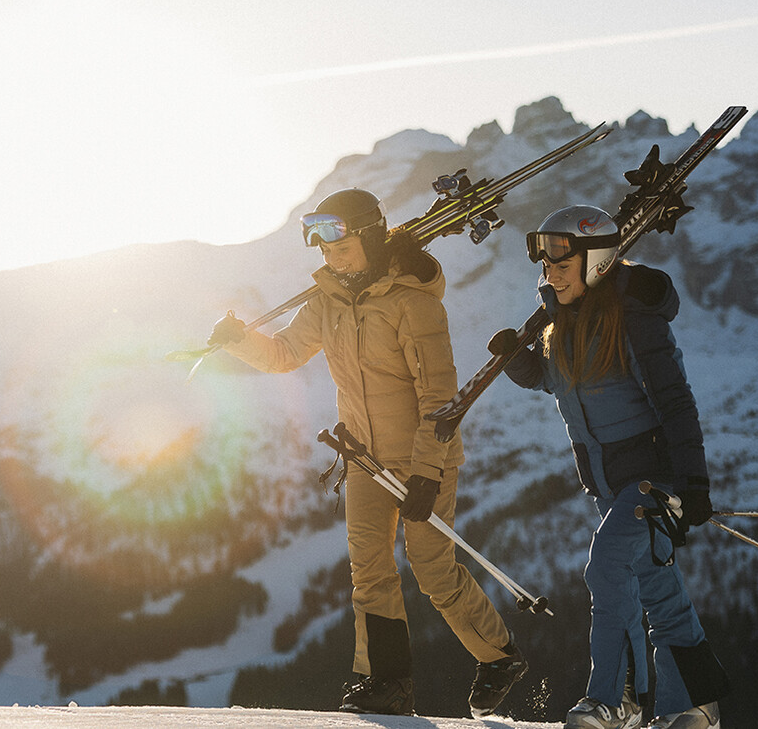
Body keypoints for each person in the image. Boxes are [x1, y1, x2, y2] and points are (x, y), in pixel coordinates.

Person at [208, 188, 527, 718]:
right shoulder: (325, 303)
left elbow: (439, 402)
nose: (330, 253)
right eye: (323, 246)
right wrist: (240, 340)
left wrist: (427, 473)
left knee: (431, 570)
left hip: (425, 458)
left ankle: (499, 657)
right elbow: (286, 353)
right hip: (363, 458)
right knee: (370, 571)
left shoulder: (412, 303)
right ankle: (386, 682)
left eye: (341, 242)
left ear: (371, 236)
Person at [491, 205, 730, 729]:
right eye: (545, 262)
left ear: (596, 262)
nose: (549, 272)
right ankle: (693, 705)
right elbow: (563, 384)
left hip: (651, 477)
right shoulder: (564, 322)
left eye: (561, 261)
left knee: (606, 568)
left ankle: (613, 699)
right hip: (607, 481)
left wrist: (692, 481)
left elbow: (674, 400)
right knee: (656, 588)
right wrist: (520, 362)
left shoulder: (634, 319)